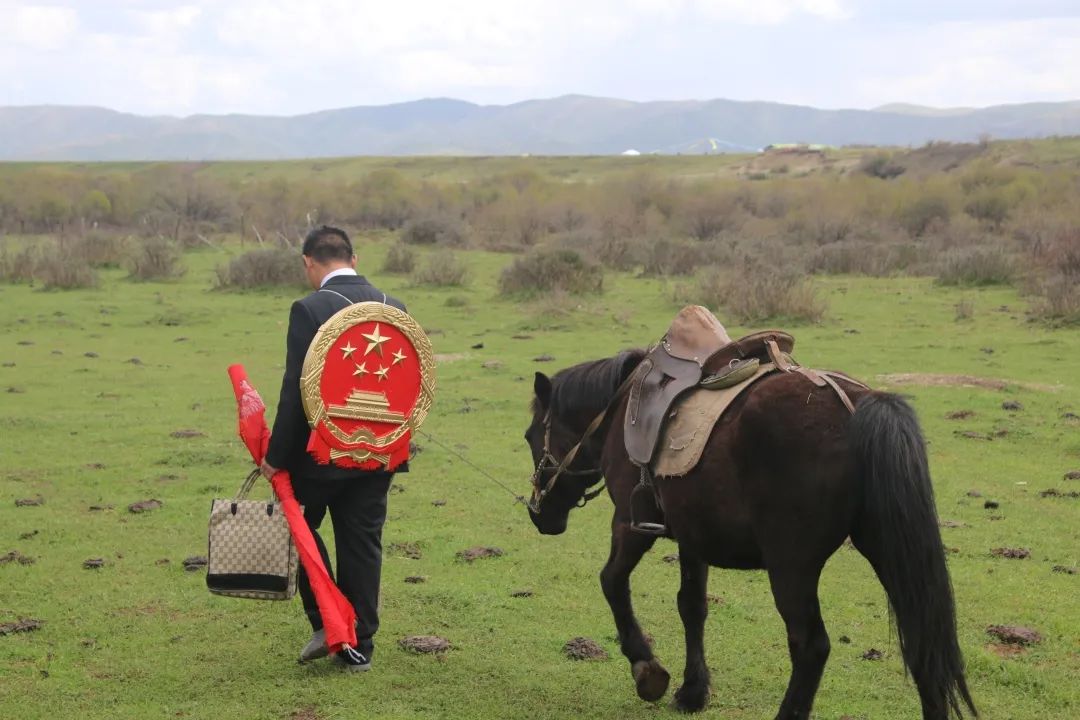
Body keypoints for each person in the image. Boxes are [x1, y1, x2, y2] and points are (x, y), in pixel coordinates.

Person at [261, 225, 406, 672]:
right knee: (363, 543)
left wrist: (275, 457)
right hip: (380, 448)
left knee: (299, 531)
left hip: (319, 455)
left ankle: (326, 620)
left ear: (308, 262)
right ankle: (359, 644)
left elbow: (296, 391)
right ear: (354, 258)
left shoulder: (309, 309)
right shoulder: (393, 307)